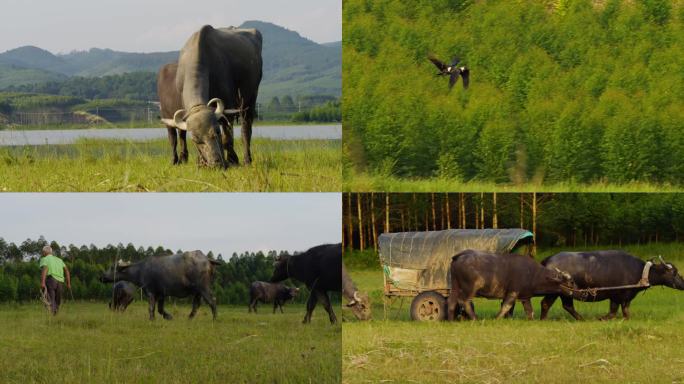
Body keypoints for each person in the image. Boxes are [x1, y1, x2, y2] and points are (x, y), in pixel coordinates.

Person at [39, 245, 71, 315]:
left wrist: (43, 282)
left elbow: (45, 269)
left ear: (45, 252)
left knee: (51, 299)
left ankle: (53, 315)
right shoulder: (59, 260)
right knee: (58, 300)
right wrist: (68, 283)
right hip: (60, 281)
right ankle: (55, 315)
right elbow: (67, 271)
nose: (42, 254)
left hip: (51, 280)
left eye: (43, 252)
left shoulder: (45, 259)